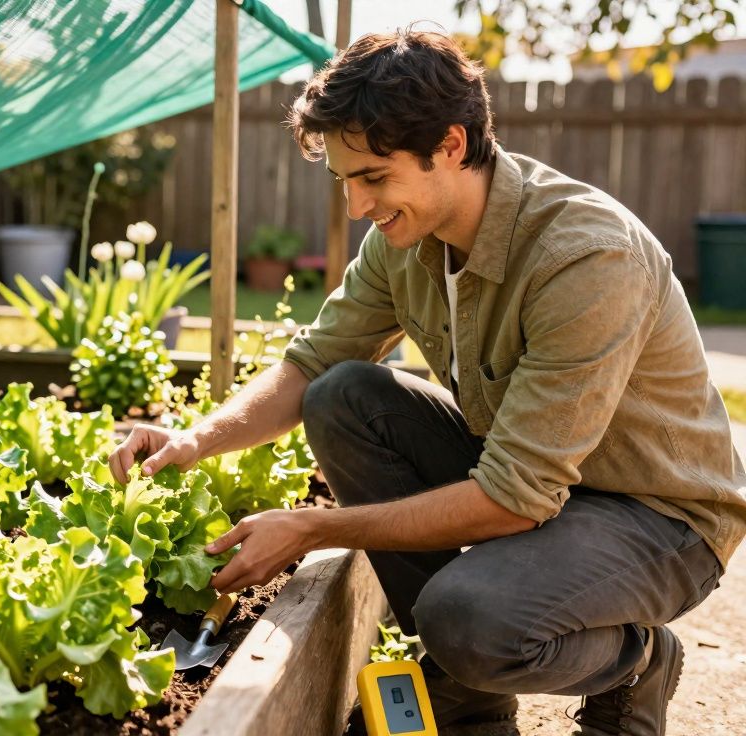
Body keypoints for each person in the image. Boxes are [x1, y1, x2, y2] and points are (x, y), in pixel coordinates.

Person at [108, 29, 745, 736]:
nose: (356, 207)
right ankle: (469, 697)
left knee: (469, 620)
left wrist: (311, 529)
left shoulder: (586, 258)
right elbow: (312, 362)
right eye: (344, 180)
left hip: (656, 516)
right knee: (342, 396)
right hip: (542, 481)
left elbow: (515, 497)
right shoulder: (404, 241)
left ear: (449, 145)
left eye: (374, 177)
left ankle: (636, 661)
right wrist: (194, 439)